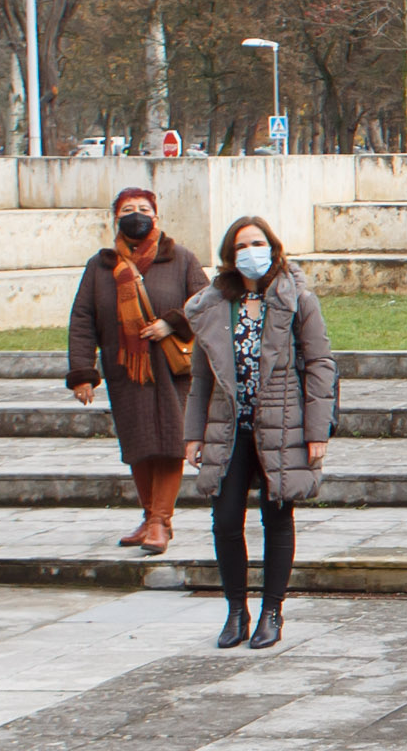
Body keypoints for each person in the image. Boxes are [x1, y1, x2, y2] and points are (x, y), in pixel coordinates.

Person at [183, 216, 336, 651]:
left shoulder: (296, 299)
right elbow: (202, 376)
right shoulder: (213, 306)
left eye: (258, 243)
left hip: (283, 424)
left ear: (273, 246)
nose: (251, 252)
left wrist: (316, 430)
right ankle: (236, 610)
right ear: (229, 256)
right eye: (241, 246)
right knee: (226, 520)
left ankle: (272, 611)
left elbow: (320, 364)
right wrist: (193, 434)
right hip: (230, 427)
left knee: (277, 517)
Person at [66, 186, 201, 553]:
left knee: (170, 442)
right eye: (127, 209)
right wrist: (82, 373)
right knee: (138, 443)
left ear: (156, 216)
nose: (136, 214)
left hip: (171, 369)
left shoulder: (181, 258)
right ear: (116, 219)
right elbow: (83, 318)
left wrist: (172, 323)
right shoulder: (100, 266)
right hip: (125, 369)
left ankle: (160, 521)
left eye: (143, 208)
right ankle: (150, 515)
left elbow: (206, 303)